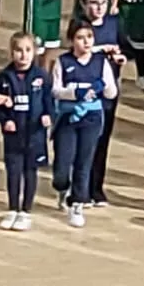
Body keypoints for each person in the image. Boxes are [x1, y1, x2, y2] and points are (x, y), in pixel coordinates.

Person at [54, 19, 119, 226]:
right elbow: (55, 90)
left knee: (84, 162)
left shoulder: (101, 63)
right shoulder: (63, 62)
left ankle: (77, 204)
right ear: (72, 40)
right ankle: (62, 188)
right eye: (80, 38)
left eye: (89, 37)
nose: (86, 42)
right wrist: (74, 93)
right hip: (68, 118)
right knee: (63, 164)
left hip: (92, 119)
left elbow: (111, 92)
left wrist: (104, 86)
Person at [0, 32, 52, 232]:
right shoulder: (4, 77)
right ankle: (12, 209)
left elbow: (50, 102)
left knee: (30, 171)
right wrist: (5, 120)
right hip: (13, 135)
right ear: (11, 53)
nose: (23, 55)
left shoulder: (42, 77)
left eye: (27, 50)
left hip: (34, 134)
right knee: (13, 172)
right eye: (18, 50)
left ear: (34, 52)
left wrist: (48, 115)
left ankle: (26, 211)